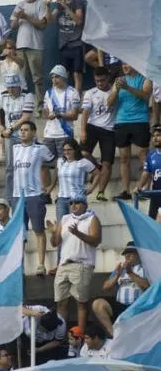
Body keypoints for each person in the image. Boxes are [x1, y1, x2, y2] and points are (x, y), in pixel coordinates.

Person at [49, 196, 101, 333]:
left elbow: (96, 241)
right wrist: (54, 233)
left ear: (84, 205)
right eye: (71, 203)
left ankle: (80, 337)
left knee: (81, 303)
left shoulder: (92, 218)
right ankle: (61, 335)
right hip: (63, 264)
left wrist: (77, 233)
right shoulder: (65, 219)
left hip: (82, 264)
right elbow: (55, 243)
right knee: (61, 302)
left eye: (77, 202)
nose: (73, 205)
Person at [11, 121, 56, 275]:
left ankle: (41, 264)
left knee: (38, 230)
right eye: (21, 130)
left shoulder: (40, 148)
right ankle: (19, 266)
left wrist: (49, 187)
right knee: (19, 233)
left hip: (34, 195)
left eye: (26, 130)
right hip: (18, 196)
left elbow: (56, 164)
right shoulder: (15, 148)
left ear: (33, 132)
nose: (22, 132)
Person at [113, 65, 153, 200]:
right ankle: (125, 190)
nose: (124, 66)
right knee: (124, 158)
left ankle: (145, 189)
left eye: (127, 63)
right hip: (122, 121)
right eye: (123, 64)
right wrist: (115, 91)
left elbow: (146, 96)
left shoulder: (145, 79)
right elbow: (109, 103)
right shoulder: (119, 80)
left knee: (144, 156)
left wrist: (127, 88)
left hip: (140, 120)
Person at [93, 241, 150, 335]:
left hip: (137, 306)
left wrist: (130, 273)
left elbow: (146, 286)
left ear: (138, 255)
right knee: (98, 304)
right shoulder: (120, 270)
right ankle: (112, 335)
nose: (127, 256)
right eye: (125, 254)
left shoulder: (145, 268)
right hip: (120, 305)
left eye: (130, 254)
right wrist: (117, 275)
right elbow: (105, 287)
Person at [0, 75, 35, 199]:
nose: (11, 90)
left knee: (27, 166)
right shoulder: (3, 96)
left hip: (25, 136)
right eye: (9, 87)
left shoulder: (27, 96)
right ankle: (11, 196)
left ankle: (29, 192)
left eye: (13, 87)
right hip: (9, 137)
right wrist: (1, 128)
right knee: (10, 168)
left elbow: (26, 117)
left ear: (19, 86)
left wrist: (10, 129)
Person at [80, 67, 118, 201]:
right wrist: (83, 130)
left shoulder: (115, 91)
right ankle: (97, 167)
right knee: (83, 153)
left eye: (102, 80)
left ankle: (101, 192)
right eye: (97, 81)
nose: (100, 83)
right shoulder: (90, 92)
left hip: (109, 129)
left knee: (107, 163)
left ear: (108, 78)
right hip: (93, 126)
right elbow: (85, 112)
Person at [11, 0, 48, 98]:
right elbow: (13, 26)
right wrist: (18, 17)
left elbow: (42, 25)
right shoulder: (20, 4)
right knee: (20, 78)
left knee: (38, 80)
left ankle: (40, 110)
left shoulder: (41, 3)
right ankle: (20, 107)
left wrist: (26, 17)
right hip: (20, 46)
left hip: (35, 46)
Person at [135, 124, 161, 219]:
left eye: (158, 135)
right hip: (156, 197)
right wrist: (139, 187)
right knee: (154, 225)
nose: (155, 138)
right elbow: (146, 173)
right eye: (154, 136)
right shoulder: (151, 155)